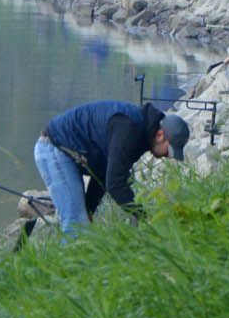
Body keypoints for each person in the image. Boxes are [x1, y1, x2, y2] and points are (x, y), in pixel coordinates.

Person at [34, 100, 189, 236]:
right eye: (169, 150)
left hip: (68, 151)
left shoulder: (142, 135)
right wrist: (144, 217)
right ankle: (66, 268)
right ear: (160, 135)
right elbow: (115, 184)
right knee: (77, 225)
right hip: (54, 148)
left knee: (82, 221)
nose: (168, 156)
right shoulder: (130, 130)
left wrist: (90, 209)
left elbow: (104, 173)